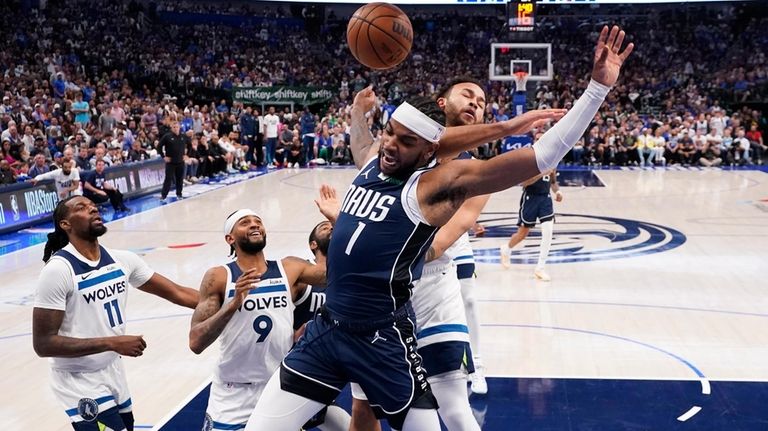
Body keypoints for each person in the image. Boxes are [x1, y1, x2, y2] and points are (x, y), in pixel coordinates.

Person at [244, 25, 633, 431]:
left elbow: (539, 156)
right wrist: (360, 117)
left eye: (404, 141)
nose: (390, 145)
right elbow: (407, 142)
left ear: (428, 148)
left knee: (451, 416)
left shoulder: (435, 187)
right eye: (389, 133)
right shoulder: (380, 160)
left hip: (385, 336)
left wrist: (596, 90)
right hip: (328, 332)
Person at [32, 196, 198, 430]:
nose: (92, 208)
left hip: (112, 370)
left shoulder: (123, 259)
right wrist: (112, 342)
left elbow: (179, 293)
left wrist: (234, 302)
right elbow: (43, 344)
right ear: (65, 224)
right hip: (78, 378)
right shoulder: (58, 270)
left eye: (93, 206)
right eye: (81, 208)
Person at [189, 209, 349, 431]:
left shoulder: (289, 268)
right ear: (230, 238)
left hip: (280, 386)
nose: (254, 225)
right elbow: (196, 342)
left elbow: (342, 272)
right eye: (245, 223)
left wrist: (338, 222)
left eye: (258, 221)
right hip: (233, 392)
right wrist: (233, 305)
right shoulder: (219, 276)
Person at [499, 169, 562, 281]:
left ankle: (540, 268)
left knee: (548, 233)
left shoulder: (553, 161)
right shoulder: (531, 161)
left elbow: (553, 182)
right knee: (522, 235)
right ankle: (506, 249)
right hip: (530, 199)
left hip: (545, 200)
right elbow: (523, 183)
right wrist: (542, 173)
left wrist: (557, 192)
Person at [157, 121, 191, 201]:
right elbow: (159, 146)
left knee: (180, 179)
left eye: (177, 127)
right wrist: (163, 156)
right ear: (171, 128)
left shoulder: (183, 136)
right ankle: (163, 195)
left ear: (179, 127)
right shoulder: (167, 136)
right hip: (171, 162)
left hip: (180, 162)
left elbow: (190, 145)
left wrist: (187, 155)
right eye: (174, 127)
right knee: (168, 179)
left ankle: (179, 194)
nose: (176, 129)